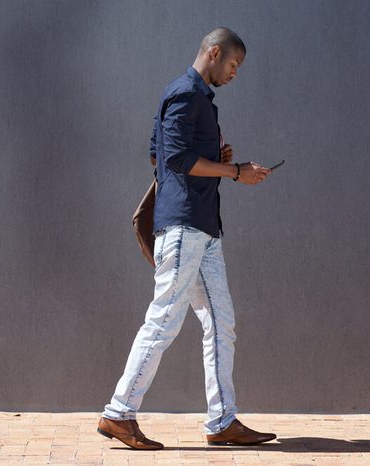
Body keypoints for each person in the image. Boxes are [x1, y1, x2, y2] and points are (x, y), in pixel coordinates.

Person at [97, 27, 277, 449]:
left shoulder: (196, 99)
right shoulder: (186, 94)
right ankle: (119, 412)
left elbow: (159, 153)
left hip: (203, 229)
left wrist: (217, 160)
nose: (235, 73)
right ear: (213, 53)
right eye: (232, 65)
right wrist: (235, 172)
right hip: (183, 228)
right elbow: (174, 159)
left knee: (220, 323)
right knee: (163, 319)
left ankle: (222, 421)